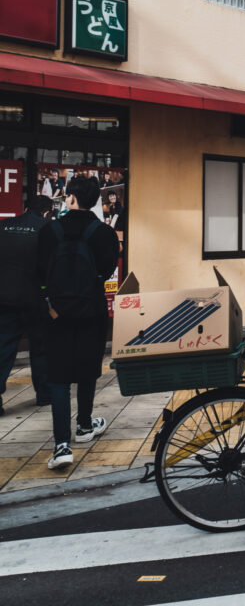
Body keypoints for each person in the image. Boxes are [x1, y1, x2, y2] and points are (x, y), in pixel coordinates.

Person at [36, 176, 120, 470]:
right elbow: (109, 268)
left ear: (70, 198)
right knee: (87, 370)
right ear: (95, 200)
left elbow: (39, 272)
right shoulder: (104, 233)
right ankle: (85, 425)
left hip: (56, 314)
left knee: (58, 377)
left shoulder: (50, 231)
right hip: (92, 312)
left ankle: (61, 445)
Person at [0, 196, 54, 414]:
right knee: (40, 347)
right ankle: (44, 394)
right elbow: (50, 265)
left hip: (3, 297)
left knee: (3, 348)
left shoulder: (3, 226)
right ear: (48, 212)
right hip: (34, 298)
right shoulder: (48, 229)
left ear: (25, 208)